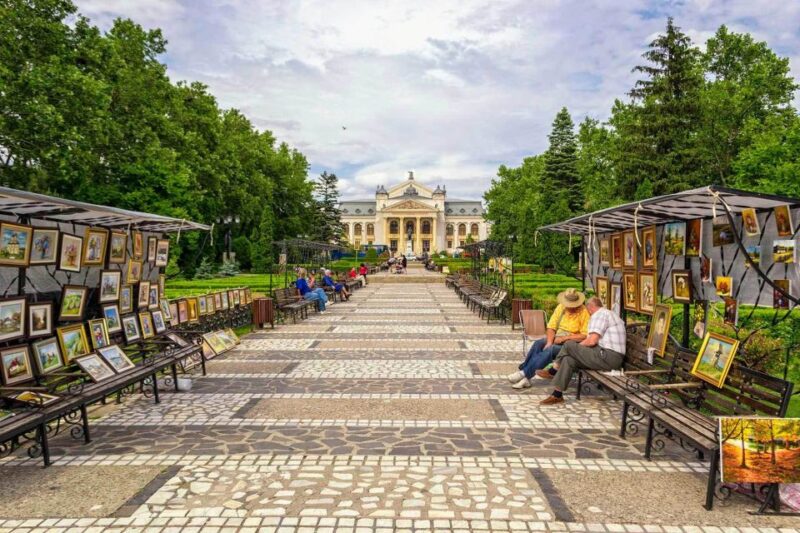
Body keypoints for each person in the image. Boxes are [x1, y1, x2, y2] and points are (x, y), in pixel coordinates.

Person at [536, 296, 626, 405]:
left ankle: (553, 370)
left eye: (588, 311)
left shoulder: (600, 314)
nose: (589, 314)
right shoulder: (608, 314)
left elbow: (592, 341)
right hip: (605, 356)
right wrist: (575, 350)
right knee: (569, 359)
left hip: (609, 356)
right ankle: (557, 395)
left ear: (590, 307)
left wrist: (575, 348)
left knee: (569, 345)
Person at [508, 288, 589, 389]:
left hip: (571, 345)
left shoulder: (584, 312)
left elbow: (584, 335)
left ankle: (524, 373)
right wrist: (550, 341)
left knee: (551, 350)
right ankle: (526, 377)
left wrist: (565, 338)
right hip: (557, 338)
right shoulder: (561, 307)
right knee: (539, 343)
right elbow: (551, 327)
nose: (569, 307)